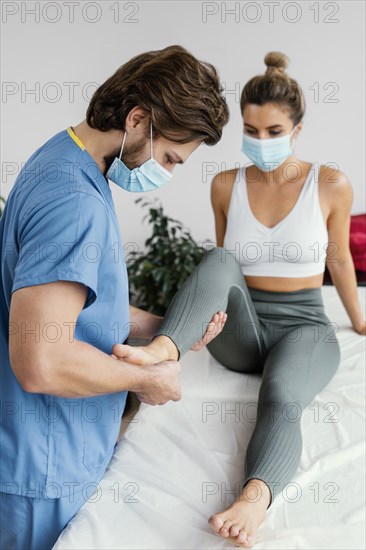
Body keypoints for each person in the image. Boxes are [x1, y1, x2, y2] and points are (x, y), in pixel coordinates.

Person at [113, 51, 366, 548]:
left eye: (273, 131)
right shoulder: (225, 184)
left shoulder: (331, 185)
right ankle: (164, 350)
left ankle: (253, 497)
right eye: (252, 131)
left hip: (303, 329)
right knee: (218, 259)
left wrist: (358, 322)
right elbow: (224, 270)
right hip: (244, 331)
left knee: (281, 397)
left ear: (297, 129)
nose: (261, 142)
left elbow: (339, 262)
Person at [0, 45, 230, 550]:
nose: (167, 172)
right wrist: (146, 379)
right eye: (169, 157)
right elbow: (41, 361)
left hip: (47, 449)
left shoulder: (65, 160)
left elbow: (66, 311)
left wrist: (159, 323)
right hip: (44, 466)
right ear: (138, 118)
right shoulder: (75, 201)